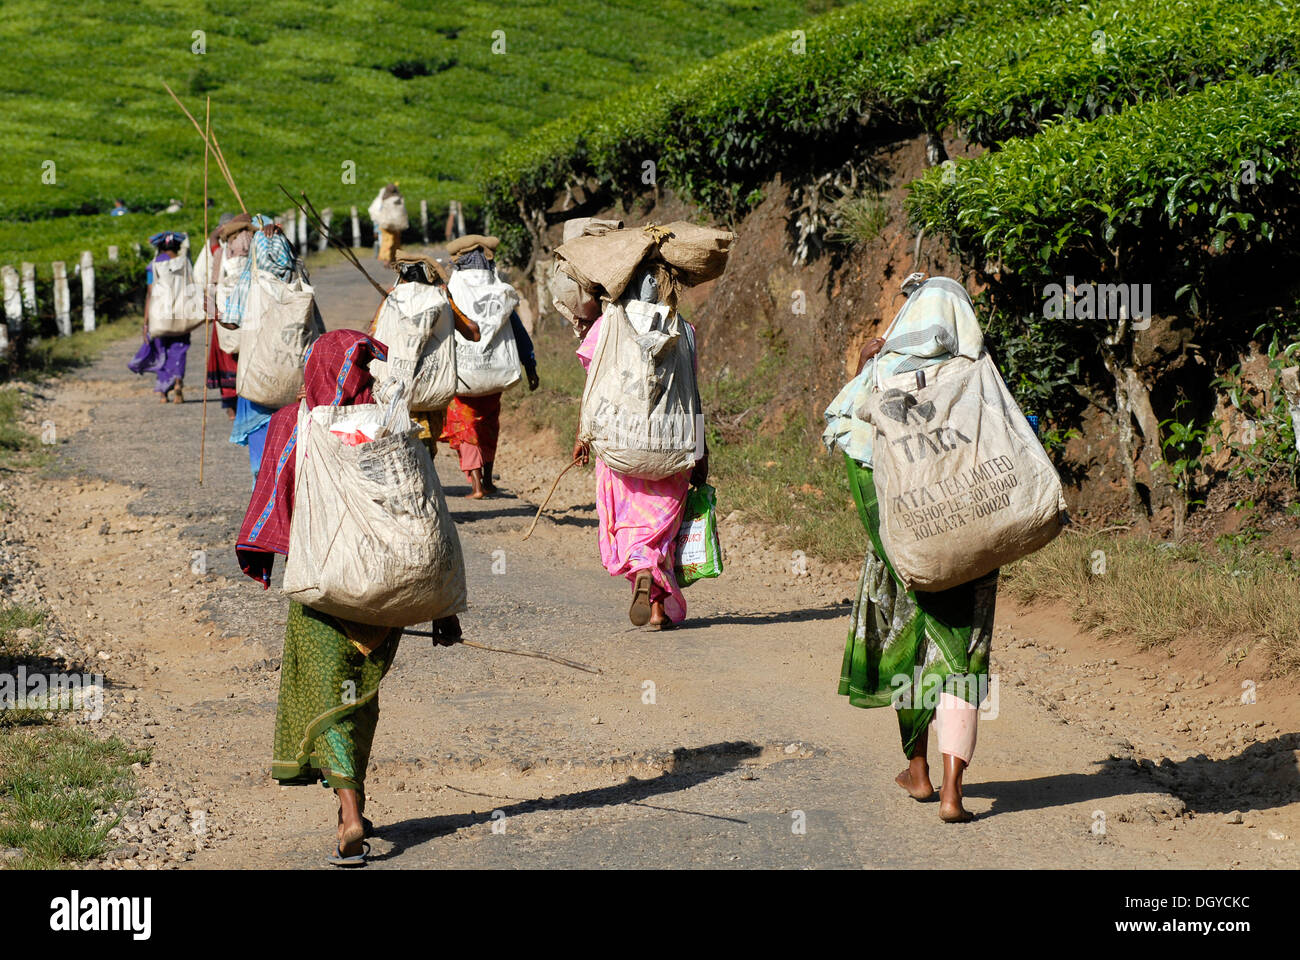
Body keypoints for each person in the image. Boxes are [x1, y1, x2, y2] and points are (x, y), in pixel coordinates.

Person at [236, 330, 451, 866]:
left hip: (326, 588)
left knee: (328, 698)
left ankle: (350, 811)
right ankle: (351, 809)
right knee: (361, 697)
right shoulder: (395, 427)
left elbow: (272, 496)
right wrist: (442, 608)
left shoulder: (297, 423)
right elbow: (428, 519)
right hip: (389, 594)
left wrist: (261, 556)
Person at [823, 275, 995, 823]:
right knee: (961, 660)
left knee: (908, 648)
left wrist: (862, 371)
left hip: (902, 546)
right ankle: (951, 791)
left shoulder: (882, 372)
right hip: (969, 544)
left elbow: (847, 434)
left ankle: (916, 771)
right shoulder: (975, 375)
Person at [571, 265, 707, 631]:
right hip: (672, 443)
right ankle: (659, 608)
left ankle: (643, 572)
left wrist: (583, 435)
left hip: (621, 443)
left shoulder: (608, 325)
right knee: (660, 525)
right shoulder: (685, 329)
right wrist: (702, 450)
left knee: (632, 523)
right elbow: (692, 394)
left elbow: (595, 385)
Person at [438, 237, 537, 499]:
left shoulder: (451, 297)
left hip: (464, 381)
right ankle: (490, 481)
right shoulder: (500, 294)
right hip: (493, 377)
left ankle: (477, 486)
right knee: (489, 426)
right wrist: (531, 367)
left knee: (466, 426)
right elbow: (520, 336)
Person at [367, 252, 481, 460]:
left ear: (402, 277)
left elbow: (372, 336)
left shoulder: (392, 299)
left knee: (399, 440)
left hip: (395, 388)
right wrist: (449, 301)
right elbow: (474, 333)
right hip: (430, 386)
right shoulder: (441, 299)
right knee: (424, 441)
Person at [225, 214, 295, 482]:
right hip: (292, 374)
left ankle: (263, 494)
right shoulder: (297, 275)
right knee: (290, 439)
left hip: (259, 372)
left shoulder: (250, 279)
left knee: (260, 444)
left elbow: (231, 323)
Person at [128, 231, 191, 403]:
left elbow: (150, 293)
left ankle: (163, 392)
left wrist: (145, 322)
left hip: (159, 314)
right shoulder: (184, 262)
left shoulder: (153, 265)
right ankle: (178, 382)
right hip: (180, 312)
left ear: (160, 247)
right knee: (179, 348)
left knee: (161, 350)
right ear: (178, 246)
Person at [197, 213, 238, 420]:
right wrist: (222, 228)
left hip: (243, 312)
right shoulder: (220, 254)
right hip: (222, 311)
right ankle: (231, 405)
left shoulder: (249, 253)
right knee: (226, 358)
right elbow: (213, 239)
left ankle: (243, 402)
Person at [368, 183, 408, 265]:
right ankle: (393, 259)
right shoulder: (399, 199)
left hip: (386, 225)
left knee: (387, 242)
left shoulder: (384, 199)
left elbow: (376, 211)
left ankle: (388, 260)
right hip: (397, 225)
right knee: (395, 242)